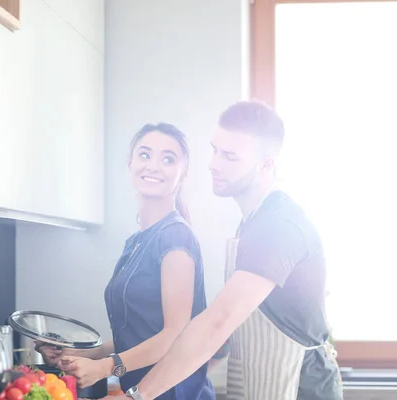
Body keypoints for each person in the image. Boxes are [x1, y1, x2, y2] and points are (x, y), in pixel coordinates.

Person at [106, 101, 343, 400]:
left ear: (267, 163)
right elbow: (224, 337)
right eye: (215, 149)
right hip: (258, 386)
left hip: (301, 388)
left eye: (230, 156)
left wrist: (137, 396)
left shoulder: (278, 226)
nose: (214, 163)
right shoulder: (251, 224)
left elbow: (218, 322)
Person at [37, 123, 216, 400]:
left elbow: (174, 335)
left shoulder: (176, 236)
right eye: (145, 155)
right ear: (130, 163)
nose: (154, 166)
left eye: (168, 159)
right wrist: (76, 355)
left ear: (183, 173)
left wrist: (106, 367)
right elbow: (135, 336)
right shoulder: (135, 243)